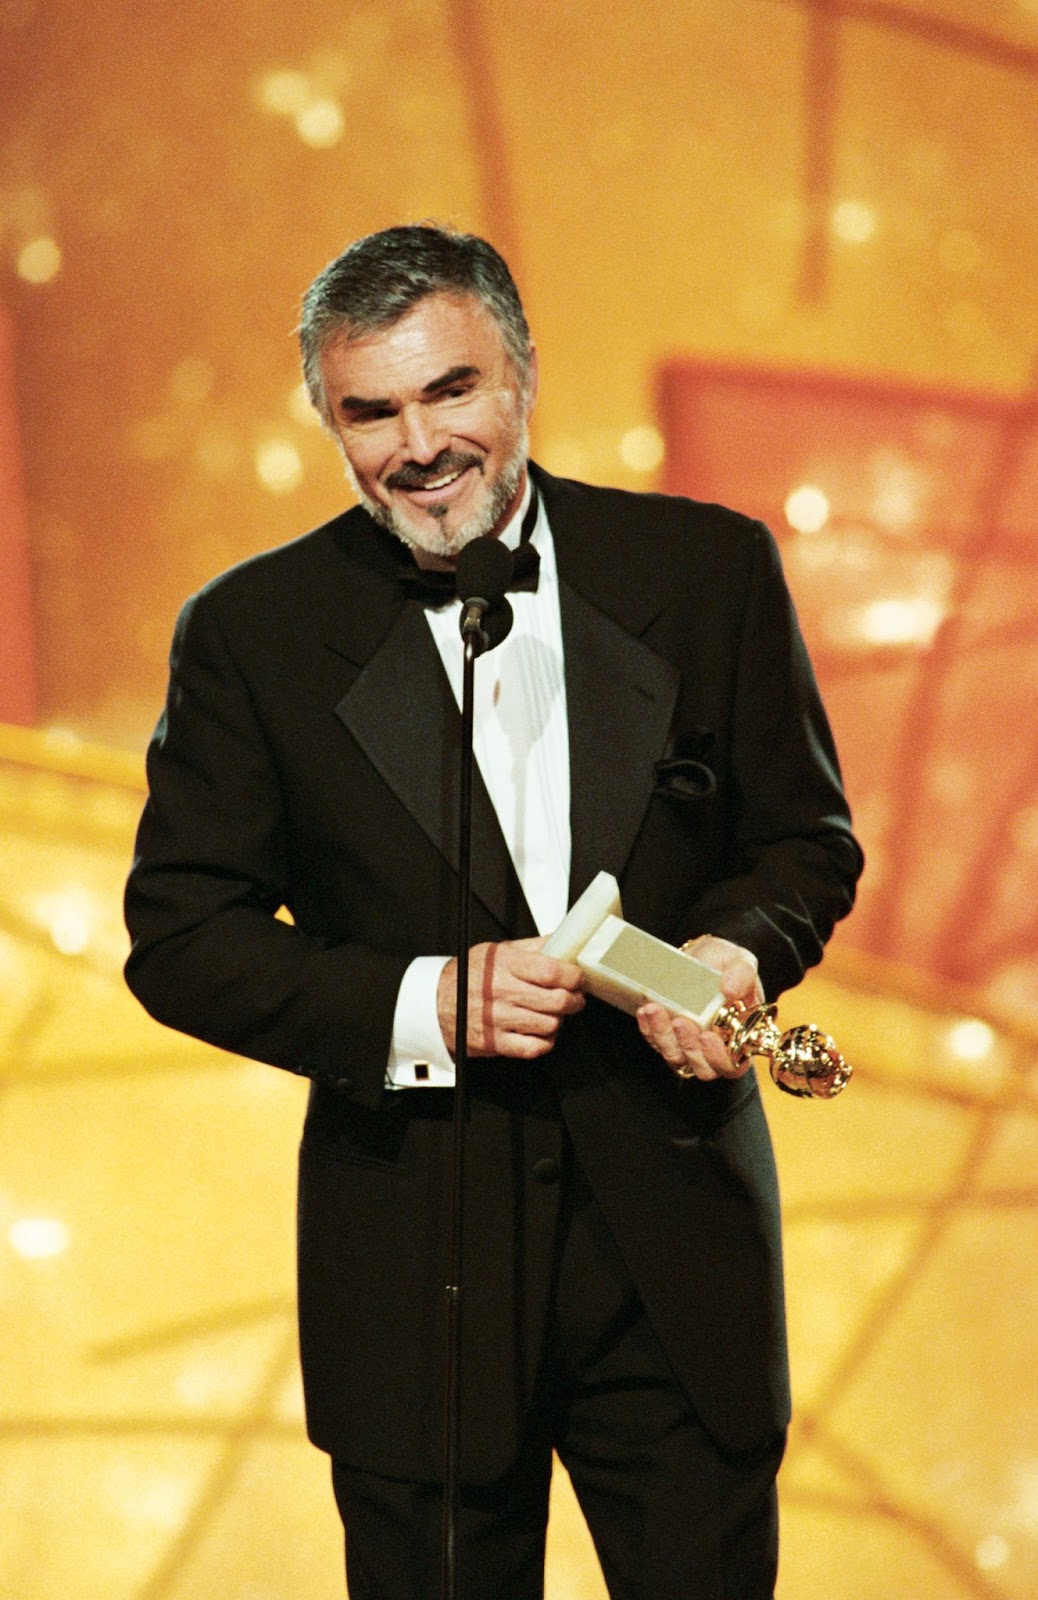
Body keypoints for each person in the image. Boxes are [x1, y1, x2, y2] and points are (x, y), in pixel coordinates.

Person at [124, 223, 863, 1600]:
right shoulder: (253, 633)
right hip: (415, 1275)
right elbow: (181, 938)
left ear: (521, 377)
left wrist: (734, 950)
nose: (417, 444)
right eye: (371, 410)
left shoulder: (704, 572)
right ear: (329, 423)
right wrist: (423, 1001)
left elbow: (801, 844)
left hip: (673, 1259)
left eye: (449, 390)